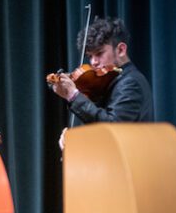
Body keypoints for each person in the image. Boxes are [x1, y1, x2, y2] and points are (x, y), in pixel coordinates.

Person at [48, 16, 154, 149]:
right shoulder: (109, 81)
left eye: (99, 53)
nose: (93, 62)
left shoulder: (131, 83)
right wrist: (76, 137)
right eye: (90, 56)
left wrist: (73, 96)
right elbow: (98, 128)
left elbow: (110, 128)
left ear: (121, 50)